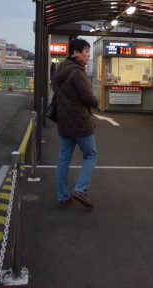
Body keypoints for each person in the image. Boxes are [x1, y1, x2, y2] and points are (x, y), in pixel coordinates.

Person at [52, 38, 99, 208]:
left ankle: (63, 196)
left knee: (64, 159)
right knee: (91, 155)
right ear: (76, 53)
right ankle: (80, 188)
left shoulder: (60, 70)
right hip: (80, 122)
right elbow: (87, 97)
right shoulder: (78, 72)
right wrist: (96, 102)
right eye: (86, 52)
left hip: (64, 123)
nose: (88, 56)